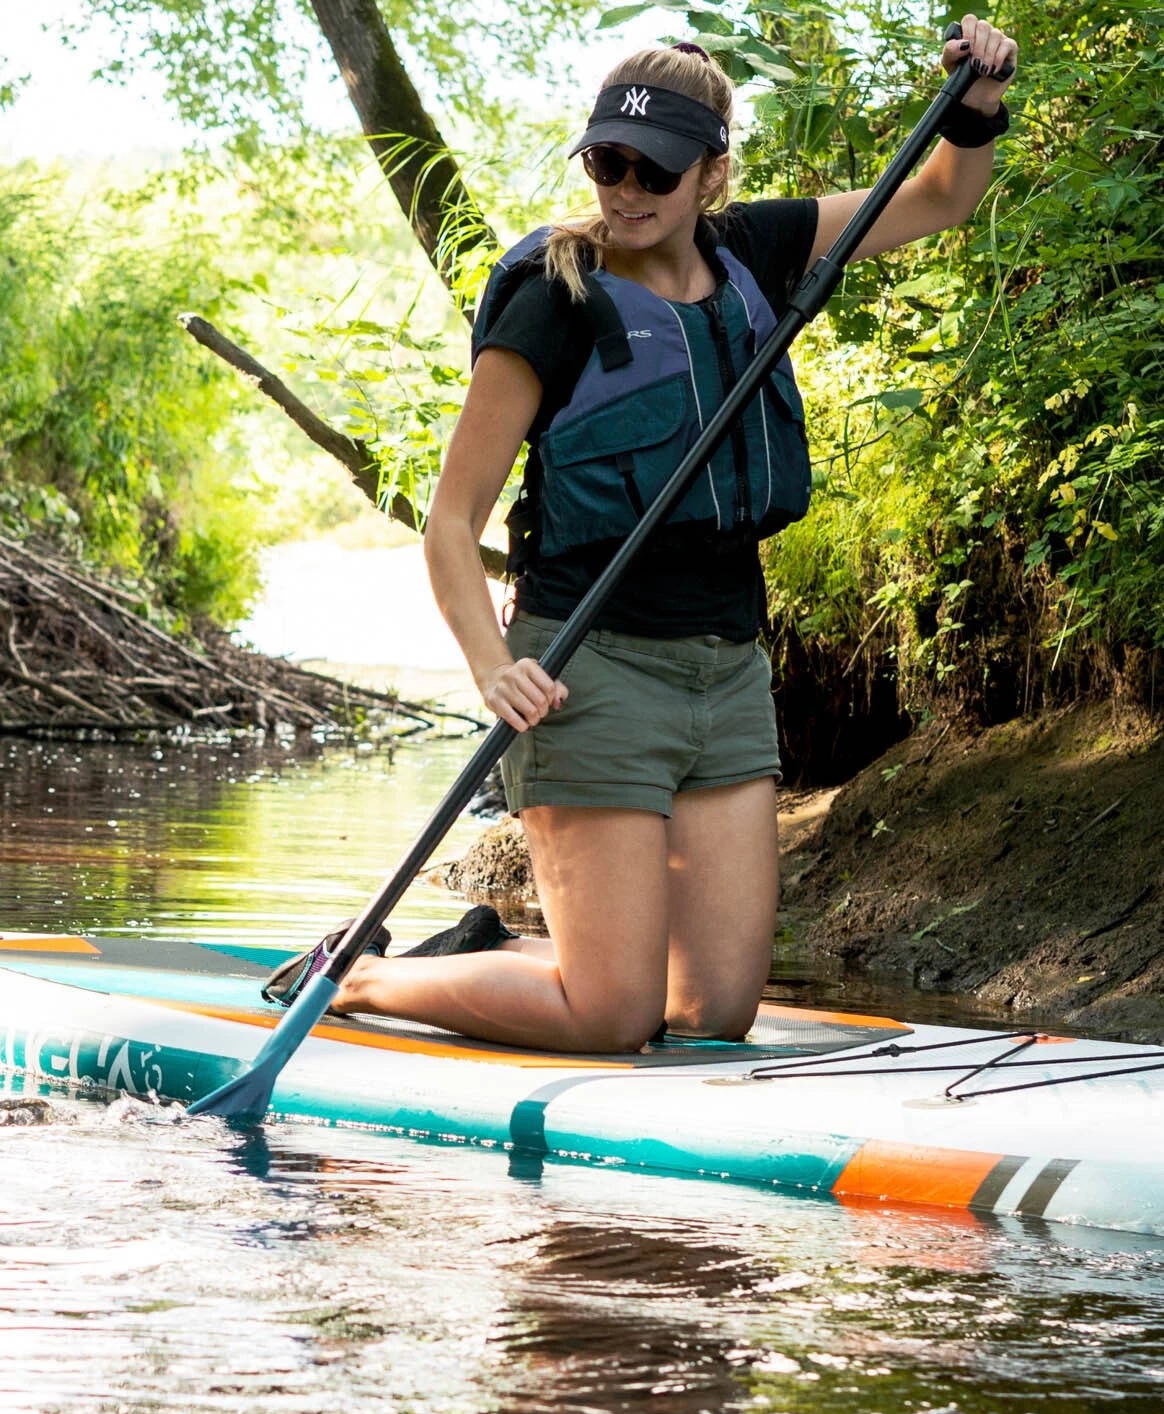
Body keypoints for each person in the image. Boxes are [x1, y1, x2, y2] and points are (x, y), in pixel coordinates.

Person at [265, 16, 1018, 1053]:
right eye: (605, 163)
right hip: (587, 671)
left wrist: (975, 104)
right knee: (614, 1015)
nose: (623, 190)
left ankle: (483, 951)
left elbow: (940, 196)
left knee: (712, 1013)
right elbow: (449, 524)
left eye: (651, 170)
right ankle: (355, 978)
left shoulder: (753, 248)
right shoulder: (552, 299)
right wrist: (492, 668)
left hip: (724, 675)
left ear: (711, 172)